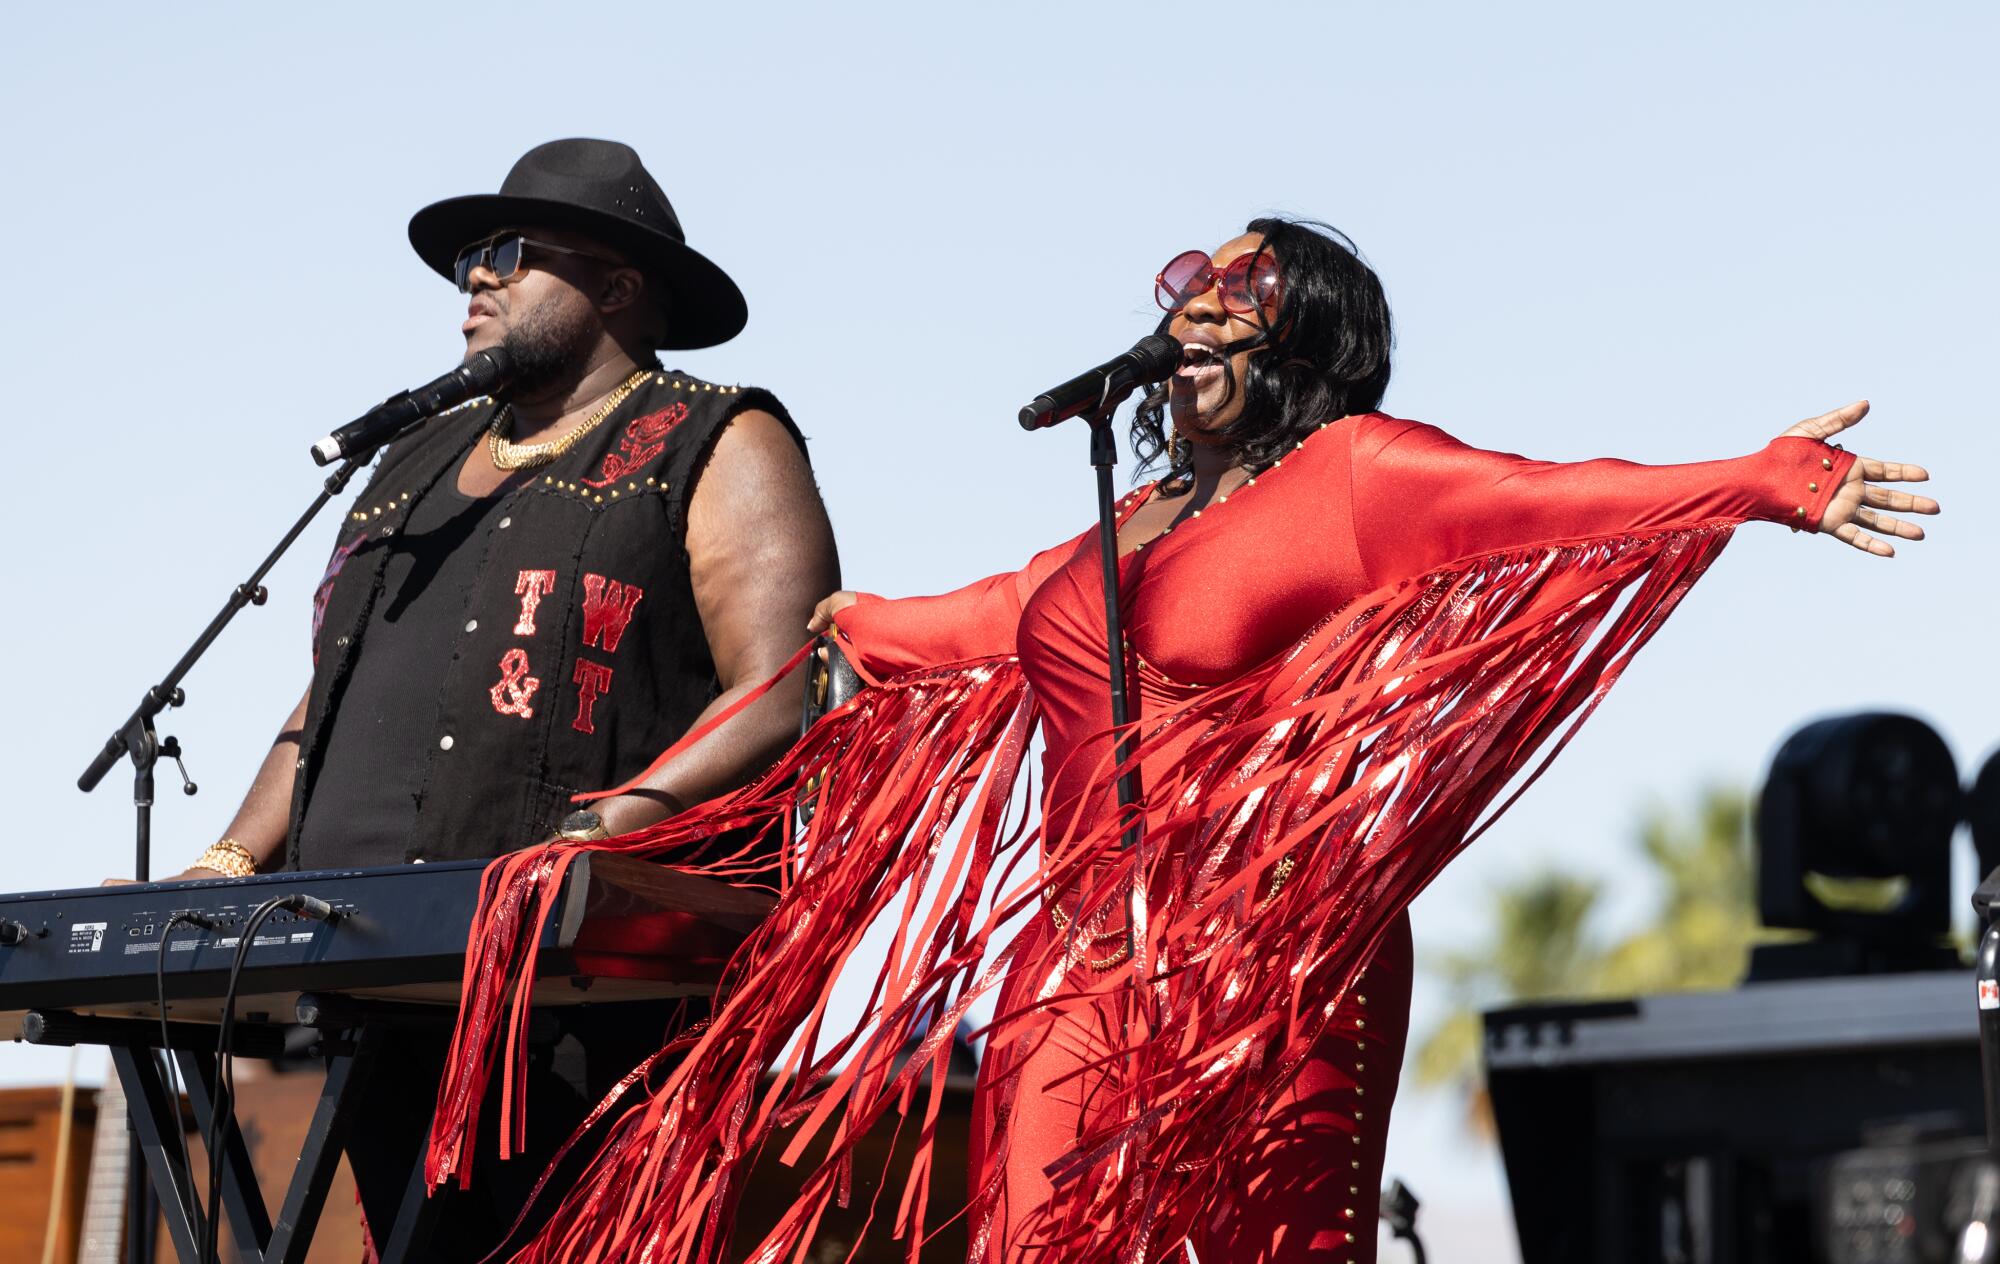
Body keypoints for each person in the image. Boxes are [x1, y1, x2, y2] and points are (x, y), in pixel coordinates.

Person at [426, 218, 1936, 1264]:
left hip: (1271, 976)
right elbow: (988, 621)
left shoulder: (1356, 477)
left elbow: (1552, 499)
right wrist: (854, 627)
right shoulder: (1119, 523)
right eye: (1188, 297)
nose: (1198, 315)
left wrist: (1760, 477)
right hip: (1076, 977)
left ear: (1311, 337)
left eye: (1240, 298)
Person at [113, 138, 839, 1259]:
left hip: (588, 991)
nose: (475, 280)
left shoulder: (714, 435)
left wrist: (599, 832)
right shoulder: (415, 457)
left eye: (507, 252)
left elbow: (783, 682)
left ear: (616, 284)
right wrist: (220, 874)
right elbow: (328, 699)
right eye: (464, 261)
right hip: (371, 976)